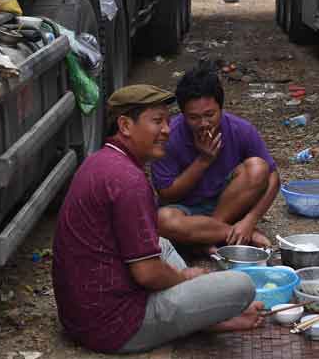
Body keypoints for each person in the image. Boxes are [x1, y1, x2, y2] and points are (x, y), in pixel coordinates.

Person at [52, 84, 264, 354]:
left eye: (167, 120)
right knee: (241, 286)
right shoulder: (128, 181)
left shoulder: (100, 160)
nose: (166, 130)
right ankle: (207, 317)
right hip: (116, 327)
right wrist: (184, 278)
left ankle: (205, 315)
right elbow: (148, 273)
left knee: (160, 242)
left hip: (81, 315)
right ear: (125, 125)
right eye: (157, 121)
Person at [154, 64, 280, 249]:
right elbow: (167, 194)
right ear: (182, 114)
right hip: (186, 211)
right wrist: (203, 160)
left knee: (258, 167)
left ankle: (206, 239)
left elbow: (273, 178)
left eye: (210, 115)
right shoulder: (169, 136)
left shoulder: (240, 129)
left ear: (221, 108)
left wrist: (250, 220)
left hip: (229, 206)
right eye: (194, 118)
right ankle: (229, 235)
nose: (203, 123)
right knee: (163, 220)